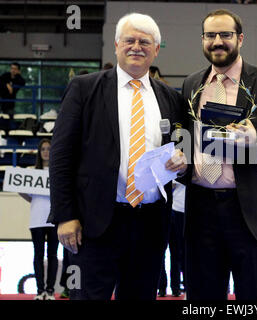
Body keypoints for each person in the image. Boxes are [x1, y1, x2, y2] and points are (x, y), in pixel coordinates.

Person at [47, 12, 188, 300]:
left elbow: (180, 152)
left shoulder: (171, 98)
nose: (137, 47)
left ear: (156, 49)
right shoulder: (84, 89)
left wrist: (182, 162)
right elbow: (61, 157)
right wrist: (65, 216)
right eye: (130, 40)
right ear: (116, 45)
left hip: (150, 224)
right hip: (93, 224)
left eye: (145, 42)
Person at [180, 8, 257, 300]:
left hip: (252, 213)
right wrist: (179, 159)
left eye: (225, 34)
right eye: (210, 35)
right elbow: (187, 139)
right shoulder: (191, 85)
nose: (217, 41)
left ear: (240, 39)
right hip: (201, 212)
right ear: (202, 40)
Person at [19, 139, 58, 300]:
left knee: (52, 255)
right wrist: (34, 200)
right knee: (38, 255)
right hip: (36, 219)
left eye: (49, 149)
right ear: (39, 152)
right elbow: (21, 190)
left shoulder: (57, 171)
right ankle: (39, 290)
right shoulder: (30, 171)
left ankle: (49, 291)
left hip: (54, 219)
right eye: (43, 149)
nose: (46, 152)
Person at [158, 180, 186, 298]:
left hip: (180, 209)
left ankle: (175, 287)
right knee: (161, 251)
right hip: (166, 208)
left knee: (177, 252)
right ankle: (161, 287)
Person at [0, 62, 26, 127]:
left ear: (18, 70)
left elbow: (22, 82)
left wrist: (18, 75)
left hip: (9, 104)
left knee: (9, 120)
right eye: (12, 68)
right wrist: (7, 85)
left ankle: (8, 134)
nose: (13, 70)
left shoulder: (18, 79)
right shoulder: (6, 75)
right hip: (1, 99)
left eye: (15, 69)